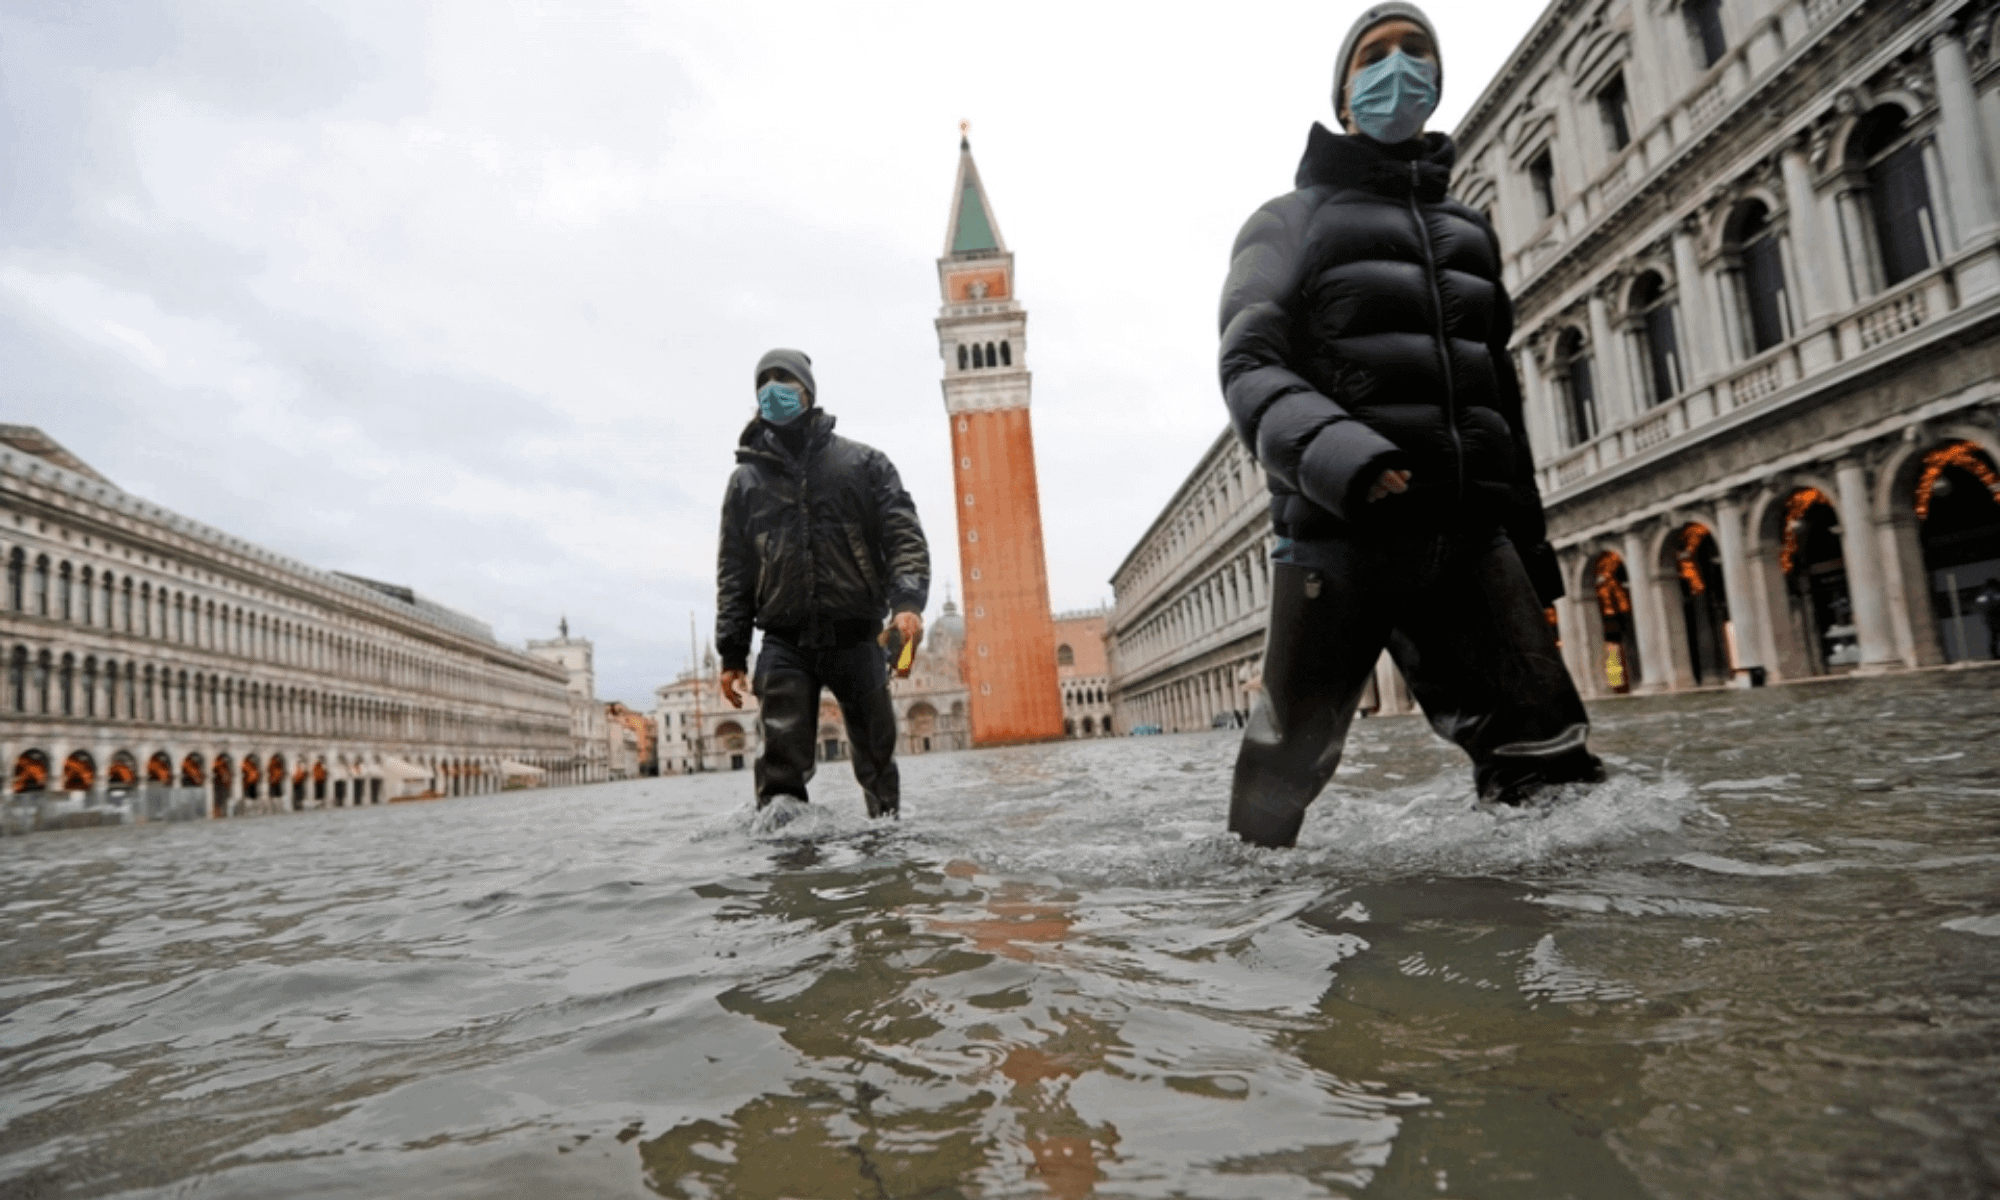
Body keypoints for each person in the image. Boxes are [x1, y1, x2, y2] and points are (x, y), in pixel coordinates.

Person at [1218, 2, 1603, 848]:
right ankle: (1254, 945)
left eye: (1417, 52)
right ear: (1346, 93)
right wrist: (1349, 460)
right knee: (1282, 776)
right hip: (1338, 533)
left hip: (1470, 537)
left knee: (1553, 764)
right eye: (1376, 54)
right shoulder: (1288, 221)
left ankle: (1556, 944)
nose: (1400, 66)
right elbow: (1249, 364)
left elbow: (1501, 396)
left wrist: (1529, 557)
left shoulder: (1470, 233)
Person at [715, 348, 930, 818]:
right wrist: (732, 652)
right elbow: (735, 572)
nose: (773, 388)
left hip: (858, 633)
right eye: (764, 381)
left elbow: (903, 537)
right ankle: (788, 869)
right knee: (779, 770)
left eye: (784, 379)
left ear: (808, 391)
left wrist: (908, 601)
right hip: (784, 640)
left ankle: (890, 859)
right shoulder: (744, 483)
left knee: (877, 761)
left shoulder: (864, 464)